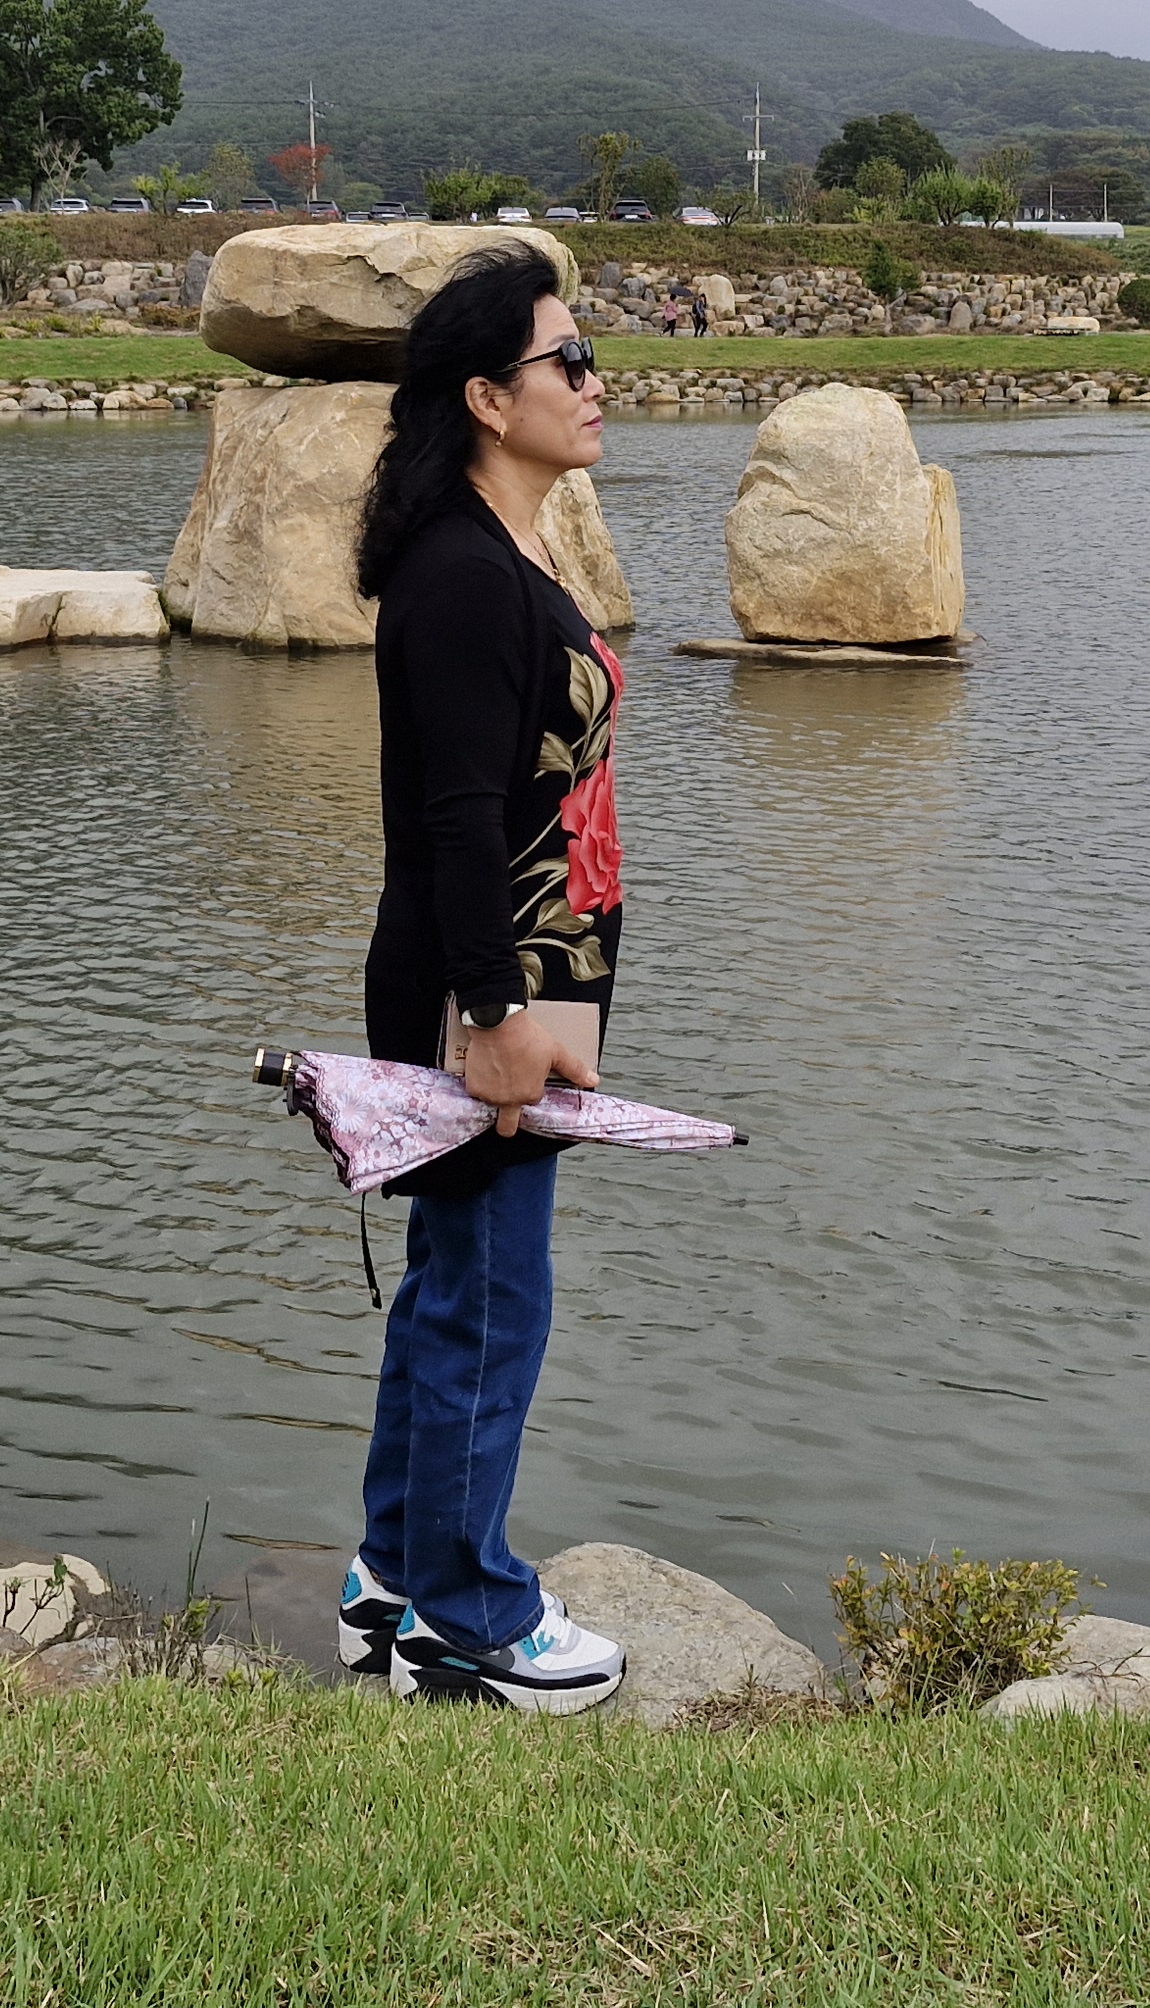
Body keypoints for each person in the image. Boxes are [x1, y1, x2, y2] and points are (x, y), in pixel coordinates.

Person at [336, 246, 630, 1712]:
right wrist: (498, 1019)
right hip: (484, 994)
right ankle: (467, 1615)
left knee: (457, 1285)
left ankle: (393, 1576)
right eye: (565, 361)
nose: (592, 382)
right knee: (493, 1301)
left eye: (589, 357)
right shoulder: (459, 574)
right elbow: (453, 821)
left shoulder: (505, 550)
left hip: (521, 982)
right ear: (485, 398)